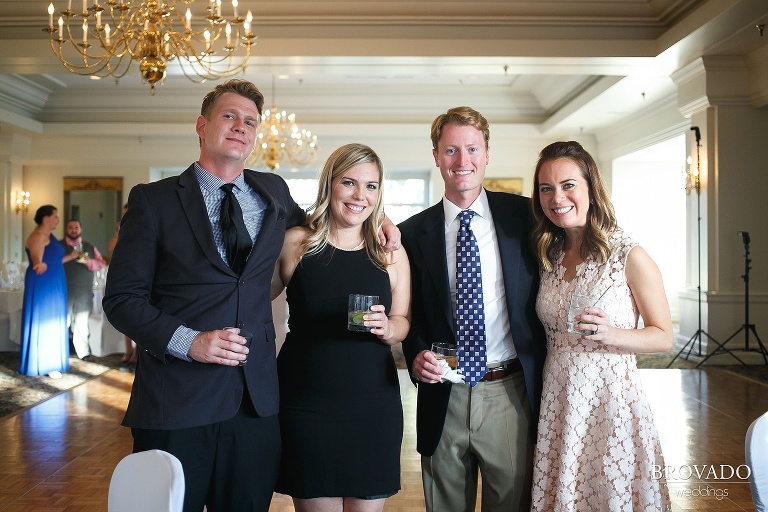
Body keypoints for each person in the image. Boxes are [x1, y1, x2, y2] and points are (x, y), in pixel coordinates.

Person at [103, 79, 400, 512]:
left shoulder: (273, 192)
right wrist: (190, 342)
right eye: (229, 116)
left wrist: (380, 218)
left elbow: (328, 222)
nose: (241, 126)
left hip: (255, 406)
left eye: (251, 121)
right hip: (177, 401)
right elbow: (121, 300)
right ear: (202, 126)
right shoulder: (153, 201)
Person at [398, 106, 547, 512]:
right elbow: (408, 314)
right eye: (451, 150)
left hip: (509, 393)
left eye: (472, 149)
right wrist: (415, 354)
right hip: (441, 394)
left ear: (487, 154)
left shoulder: (526, 217)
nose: (462, 161)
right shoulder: (411, 233)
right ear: (436, 156)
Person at [529, 140, 672, 510]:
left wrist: (612, 334)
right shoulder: (549, 253)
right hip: (559, 399)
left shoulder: (628, 254)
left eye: (568, 185)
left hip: (611, 402)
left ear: (591, 188)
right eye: (546, 188)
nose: (557, 197)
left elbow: (663, 336)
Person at [272, 143, 411, 512]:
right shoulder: (295, 244)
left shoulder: (390, 250)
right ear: (329, 184)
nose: (359, 195)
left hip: (373, 406)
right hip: (306, 405)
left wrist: (388, 329)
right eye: (349, 182)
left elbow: (402, 321)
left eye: (370, 186)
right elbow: (247, 299)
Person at [19, 205, 78, 378]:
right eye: (55, 216)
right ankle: (44, 363)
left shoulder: (49, 236)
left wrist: (71, 257)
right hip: (43, 283)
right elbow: (37, 260)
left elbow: (53, 260)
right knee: (45, 319)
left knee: (55, 318)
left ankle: (52, 361)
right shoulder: (37, 235)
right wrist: (39, 263)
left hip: (54, 282)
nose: (58, 220)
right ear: (46, 218)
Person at [60, 219, 107, 361]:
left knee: (82, 322)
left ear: (80, 229)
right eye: (70, 227)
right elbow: (52, 263)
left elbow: (101, 263)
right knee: (61, 322)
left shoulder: (89, 247)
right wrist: (70, 257)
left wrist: (88, 261)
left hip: (84, 291)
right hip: (63, 290)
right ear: (66, 229)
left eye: (76, 227)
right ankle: (59, 352)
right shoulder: (59, 246)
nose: (73, 230)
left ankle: (83, 352)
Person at [108, 203, 136, 364]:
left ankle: (137, 352)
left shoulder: (141, 226)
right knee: (126, 314)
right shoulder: (121, 230)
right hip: (124, 275)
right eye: (123, 213)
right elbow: (111, 248)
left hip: (138, 274)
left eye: (127, 213)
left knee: (138, 314)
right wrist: (118, 231)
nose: (125, 216)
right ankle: (128, 349)